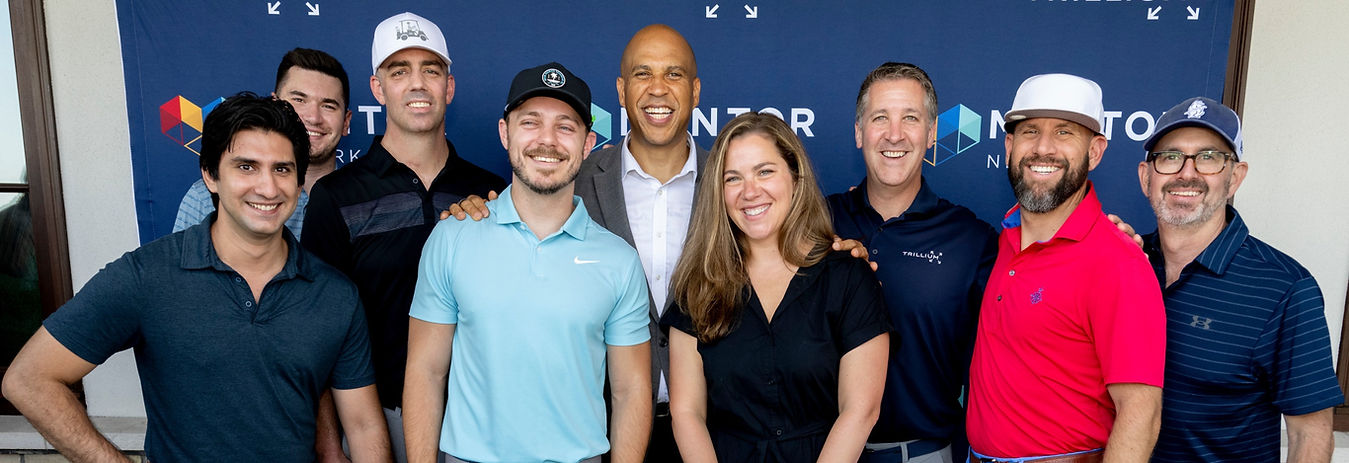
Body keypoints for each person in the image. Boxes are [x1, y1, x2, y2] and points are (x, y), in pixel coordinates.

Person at [1, 93, 390, 462]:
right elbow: (28, 379)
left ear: (299, 181)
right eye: (246, 167)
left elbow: (363, 425)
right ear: (210, 175)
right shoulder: (147, 276)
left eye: (282, 169)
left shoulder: (335, 294)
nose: (268, 187)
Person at [403, 62, 652, 463]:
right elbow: (425, 373)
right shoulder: (452, 238)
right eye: (531, 122)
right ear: (505, 133)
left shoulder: (619, 261)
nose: (547, 140)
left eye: (565, 127)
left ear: (588, 144)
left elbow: (631, 391)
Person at [302, 12, 507, 462]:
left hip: (483, 417)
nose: (417, 84)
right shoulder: (336, 196)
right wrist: (330, 443)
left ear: (449, 87)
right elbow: (317, 333)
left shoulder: (492, 192)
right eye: (399, 72)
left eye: (431, 70)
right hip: (377, 422)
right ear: (378, 88)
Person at [661, 112, 890, 462]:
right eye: (733, 178)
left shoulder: (848, 277)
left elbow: (861, 411)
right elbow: (686, 412)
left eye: (765, 171)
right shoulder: (698, 283)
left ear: (795, 177)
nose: (750, 191)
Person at [966, 73, 1166, 463]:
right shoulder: (1003, 241)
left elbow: (1141, 413)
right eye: (1030, 132)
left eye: (1064, 132)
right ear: (1009, 146)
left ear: (1095, 151)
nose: (1043, 148)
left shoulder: (1119, 263)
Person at [1138, 97, 1342, 463]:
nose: (1187, 173)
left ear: (1235, 177)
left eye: (1209, 158)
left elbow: (1310, 435)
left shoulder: (1285, 289)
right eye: (1170, 157)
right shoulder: (1124, 265)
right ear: (1146, 177)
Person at [827, 62, 997, 463]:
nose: (894, 134)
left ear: (932, 133)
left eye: (910, 118)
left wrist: (1111, 243)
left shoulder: (971, 239)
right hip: (816, 449)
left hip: (921, 453)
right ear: (858, 131)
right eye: (880, 118)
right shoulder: (816, 222)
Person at [174, 47, 353, 237]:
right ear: (276, 105)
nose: (314, 117)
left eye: (328, 106)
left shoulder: (364, 197)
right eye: (299, 100)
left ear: (346, 121)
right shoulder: (206, 197)